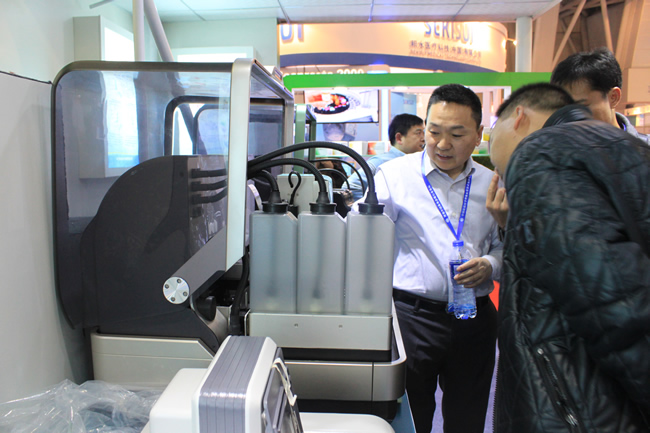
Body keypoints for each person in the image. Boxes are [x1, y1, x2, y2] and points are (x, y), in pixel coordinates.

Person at [489, 82, 650, 432]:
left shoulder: (539, 153)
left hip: (580, 410)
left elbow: (611, 300)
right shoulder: (626, 146)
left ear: (518, 117)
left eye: (492, 130)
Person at [363, 84, 502, 433]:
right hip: (412, 318)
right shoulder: (394, 176)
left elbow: (507, 247)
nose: (442, 144)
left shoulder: (493, 183)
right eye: (434, 132)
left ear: (478, 135)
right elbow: (366, 236)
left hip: (474, 320)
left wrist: (490, 265)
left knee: (468, 419)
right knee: (410, 419)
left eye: (457, 134)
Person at [486, 48, 649, 230]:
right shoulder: (550, 161)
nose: (569, 118)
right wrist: (511, 224)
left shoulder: (644, 154)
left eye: (580, 106)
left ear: (613, 97)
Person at [347, 113, 425, 199]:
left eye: (424, 133)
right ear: (399, 138)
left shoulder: (418, 161)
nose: (424, 138)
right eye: (418, 133)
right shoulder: (381, 161)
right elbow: (352, 185)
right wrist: (370, 205)